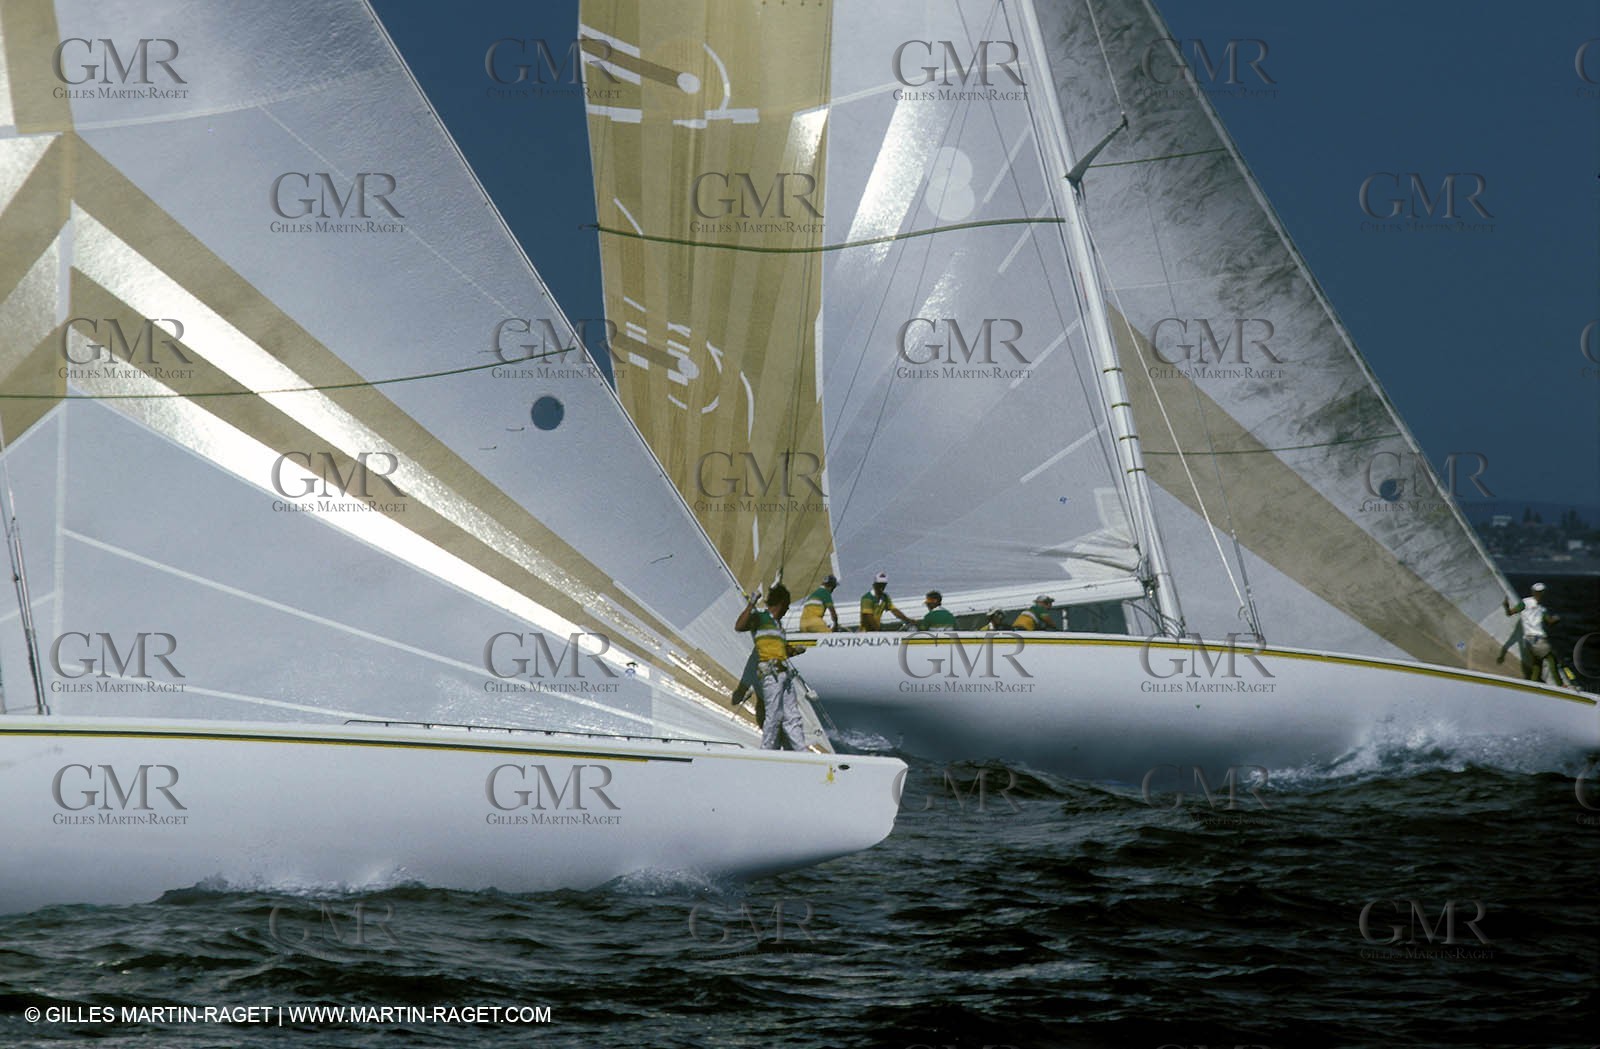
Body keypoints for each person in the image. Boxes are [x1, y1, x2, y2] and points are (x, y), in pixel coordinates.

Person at [734, 584, 810, 750]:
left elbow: (780, 650)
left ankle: (801, 751)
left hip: (784, 674)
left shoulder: (778, 626)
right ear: (782, 603)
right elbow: (739, 626)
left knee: (792, 715)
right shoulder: (760, 618)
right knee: (774, 714)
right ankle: (767, 750)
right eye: (787, 605)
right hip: (771, 675)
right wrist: (752, 604)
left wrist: (794, 650)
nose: (788, 609)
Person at [1503, 582, 1563, 685]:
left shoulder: (1537, 607)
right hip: (1536, 638)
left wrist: (1507, 607)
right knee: (1551, 658)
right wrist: (1557, 619)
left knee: (1537, 663)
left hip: (1529, 639)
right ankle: (1560, 684)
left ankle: (1533, 684)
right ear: (1542, 593)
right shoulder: (1528, 603)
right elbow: (1550, 621)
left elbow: (1510, 613)